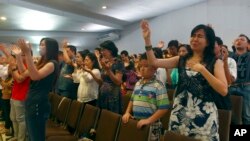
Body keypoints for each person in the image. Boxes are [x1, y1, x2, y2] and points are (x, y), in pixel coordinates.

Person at [141, 20, 228, 140]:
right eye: (193, 35)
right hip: (179, 114)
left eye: (200, 36)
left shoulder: (215, 62)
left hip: (204, 117)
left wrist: (203, 70)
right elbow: (153, 62)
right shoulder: (181, 59)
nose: (194, 39)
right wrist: (147, 40)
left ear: (208, 42)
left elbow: (223, 90)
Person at [13, 38, 58, 141]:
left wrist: (28, 53)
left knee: (36, 137)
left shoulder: (52, 63)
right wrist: (19, 57)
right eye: (40, 44)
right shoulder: (42, 62)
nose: (40, 46)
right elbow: (24, 72)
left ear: (50, 48)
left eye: (43, 45)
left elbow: (35, 76)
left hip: (39, 103)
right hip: (32, 101)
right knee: (32, 135)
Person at [122, 53, 170, 141]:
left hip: (152, 125)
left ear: (155, 68)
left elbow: (164, 108)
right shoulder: (138, 83)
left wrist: (148, 120)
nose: (142, 68)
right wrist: (127, 112)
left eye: (146, 66)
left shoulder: (158, 85)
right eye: (141, 66)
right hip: (137, 122)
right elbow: (132, 100)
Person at [0, 44, 31, 141]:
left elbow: (19, 79)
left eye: (22, 55)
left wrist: (13, 68)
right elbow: (10, 59)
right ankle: (17, 136)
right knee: (13, 117)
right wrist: (4, 50)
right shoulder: (19, 64)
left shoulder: (29, 67)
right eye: (19, 55)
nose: (20, 57)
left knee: (20, 119)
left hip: (22, 95)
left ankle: (21, 139)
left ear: (28, 56)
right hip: (14, 95)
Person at [98, 40, 124, 114]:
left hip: (113, 96)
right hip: (103, 94)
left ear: (111, 50)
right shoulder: (105, 62)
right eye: (101, 50)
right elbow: (102, 81)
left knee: (111, 119)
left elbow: (118, 82)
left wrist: (108, 70)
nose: (102, 52)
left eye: (103, 50)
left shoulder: (118, 63)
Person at [230, 34, 250, 125]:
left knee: (246, 116)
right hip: (231, 87)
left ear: (248, 45)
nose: (239, 41)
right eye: (237, 39)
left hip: (246, 87)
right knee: (231, 115)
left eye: (242, 39)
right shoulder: (229, 56)